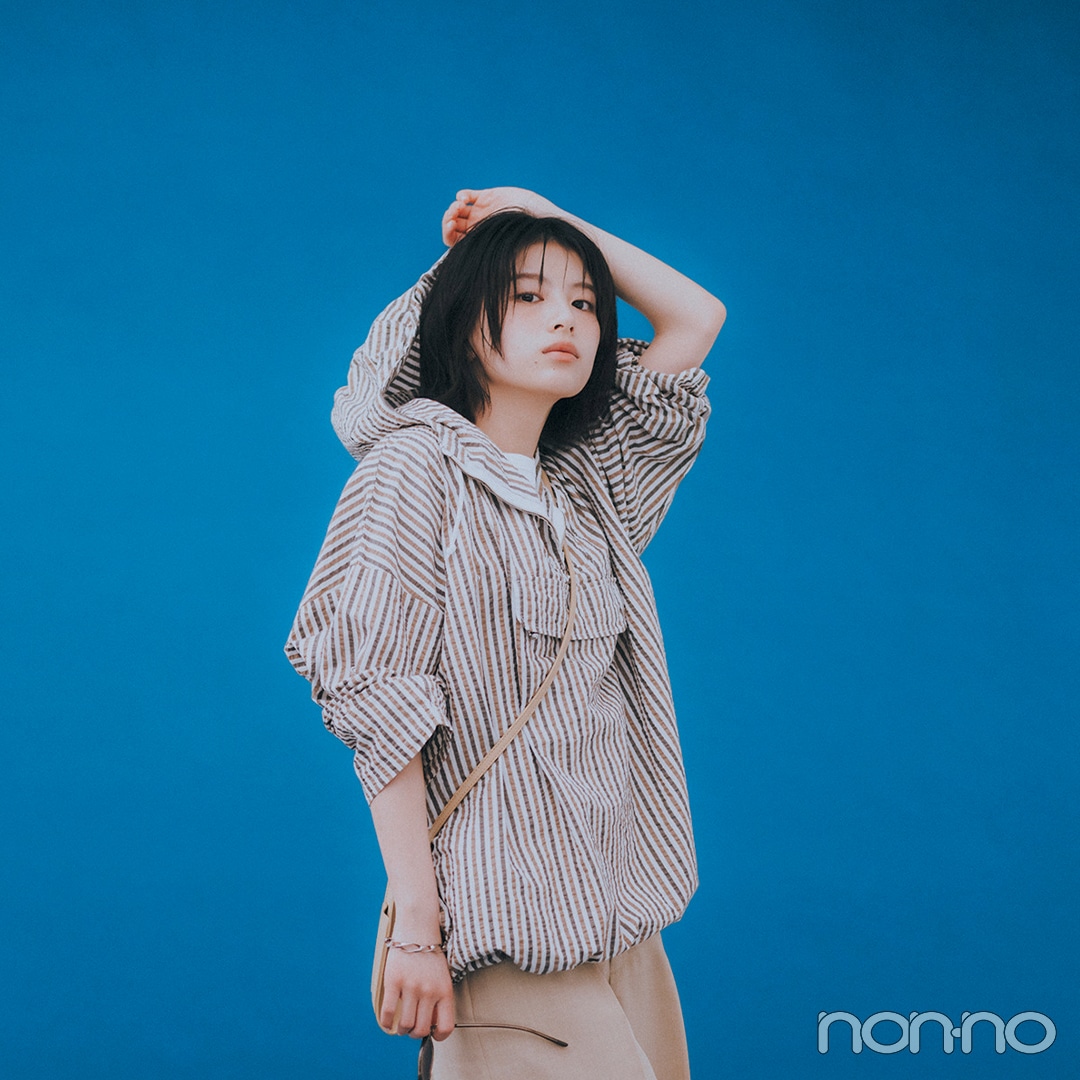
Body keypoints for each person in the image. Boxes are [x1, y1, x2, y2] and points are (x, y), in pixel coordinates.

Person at [285, 186, 725, 1079]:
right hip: (504, 929)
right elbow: (379, 701)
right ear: (459, 321)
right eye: (526, 296)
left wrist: (542, 210)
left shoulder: (588, 489)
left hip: (620, 923)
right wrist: (418, 929)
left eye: (585, 303)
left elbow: (696, 318)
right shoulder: (413, 468)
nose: (564, 318)